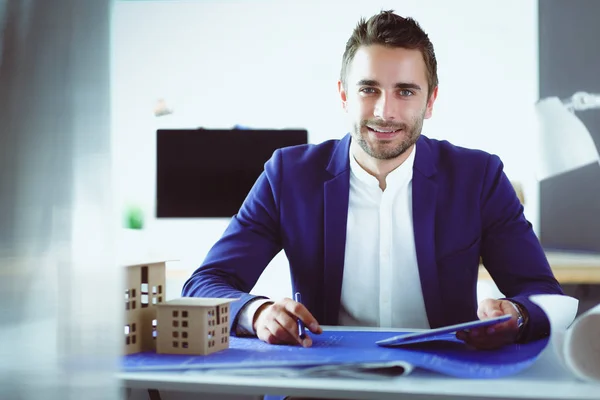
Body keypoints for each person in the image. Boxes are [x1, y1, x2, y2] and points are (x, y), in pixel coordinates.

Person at [181, 10, 563, 351]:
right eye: (369, 89)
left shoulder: (479, 177)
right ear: (344, 95)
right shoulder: (288, 175)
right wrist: (257, 312)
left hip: (444, 383)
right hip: (324, 380)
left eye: (406, 91)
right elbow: (205, 284)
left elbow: (542, 294)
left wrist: (517, 315)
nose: (385, 112)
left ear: (430, 102)